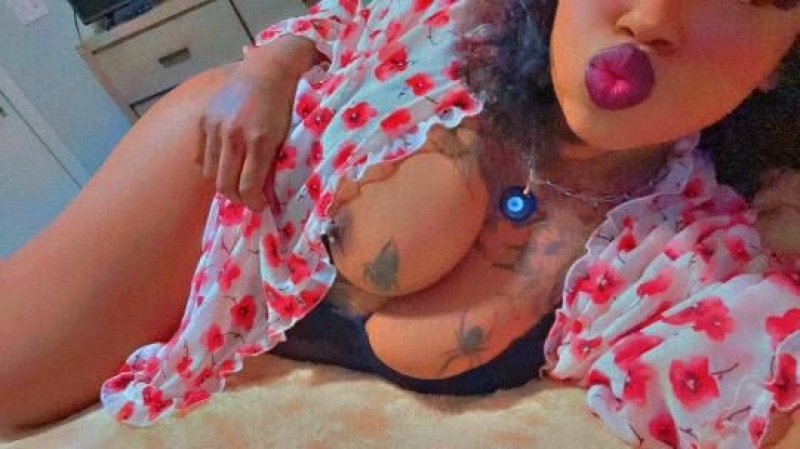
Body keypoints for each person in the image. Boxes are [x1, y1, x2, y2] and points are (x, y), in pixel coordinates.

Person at [0, 0, 797, 446]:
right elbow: (342, 17)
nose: (652, 16)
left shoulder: (693, 249)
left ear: (781, 62)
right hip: (211, 186)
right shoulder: (465, 20)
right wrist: (266, 65)